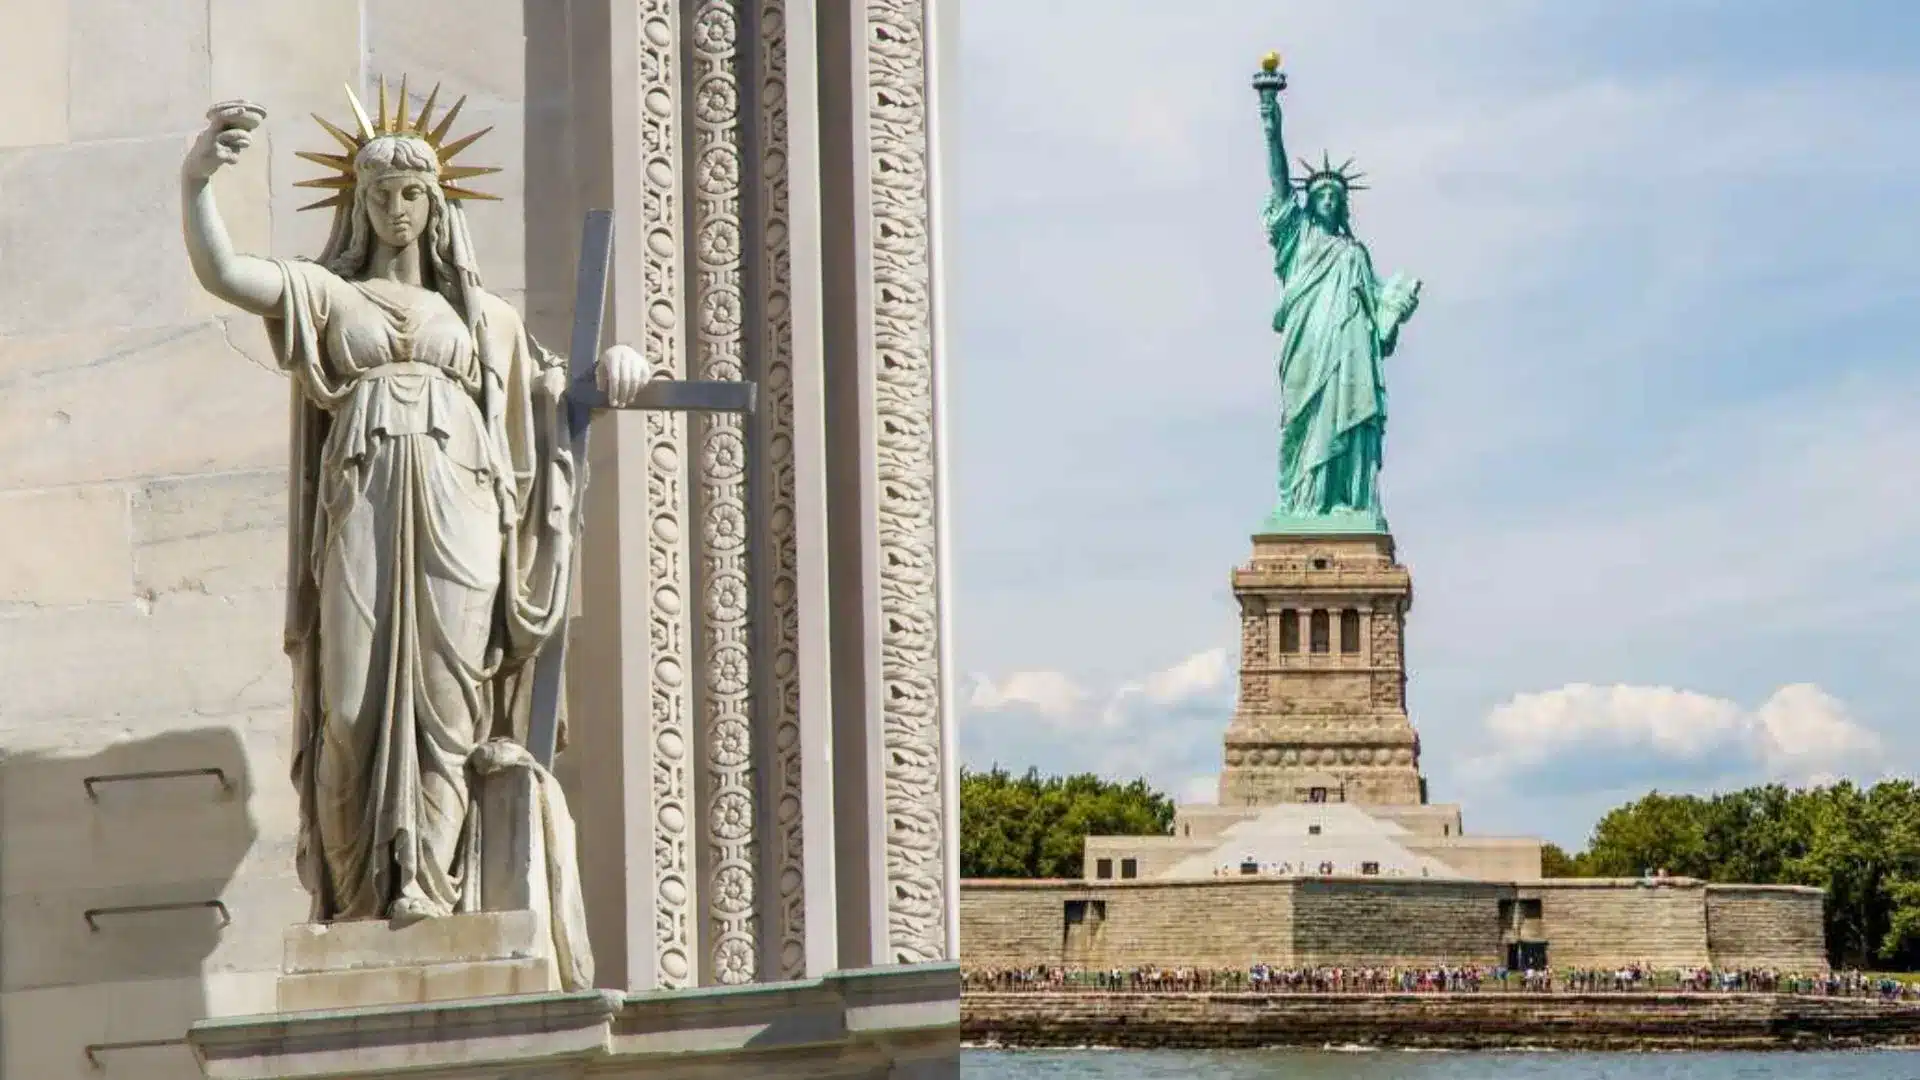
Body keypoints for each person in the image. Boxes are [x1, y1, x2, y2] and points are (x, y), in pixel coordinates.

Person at [178, 88, 647, 937]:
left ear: (436, 205)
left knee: (449, 704)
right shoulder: (324, 294)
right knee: (349, 705)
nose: (396, 209)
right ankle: (358, 892)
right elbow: (226, 275)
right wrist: (197, 183)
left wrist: (617, 366)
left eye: (413, 193)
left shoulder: (481, 317)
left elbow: (552, 401)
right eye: (380, 193)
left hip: (460, 509)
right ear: (355, 202)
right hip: (360, 502)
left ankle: (431, 886)